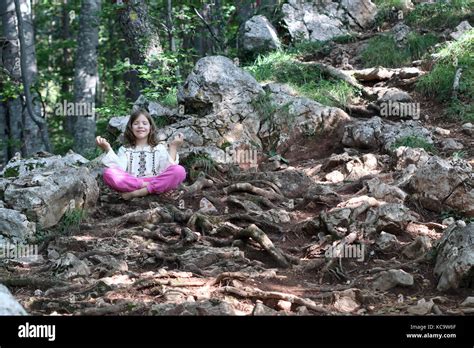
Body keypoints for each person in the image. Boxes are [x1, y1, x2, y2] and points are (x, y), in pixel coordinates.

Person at [96, 109, 186, 200]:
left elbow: (167, 168)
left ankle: (137, 193)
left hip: (155, 179)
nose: (140, 126)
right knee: (108, 173)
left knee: (179, 171)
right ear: (130, 127)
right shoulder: (125, 149)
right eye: (136, 123)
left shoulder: (159, 148)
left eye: (144, 123)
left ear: (150, 127)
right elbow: (119, 169)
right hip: (134, 182)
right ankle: (149, 187)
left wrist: (173, 146)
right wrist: (107, 148)